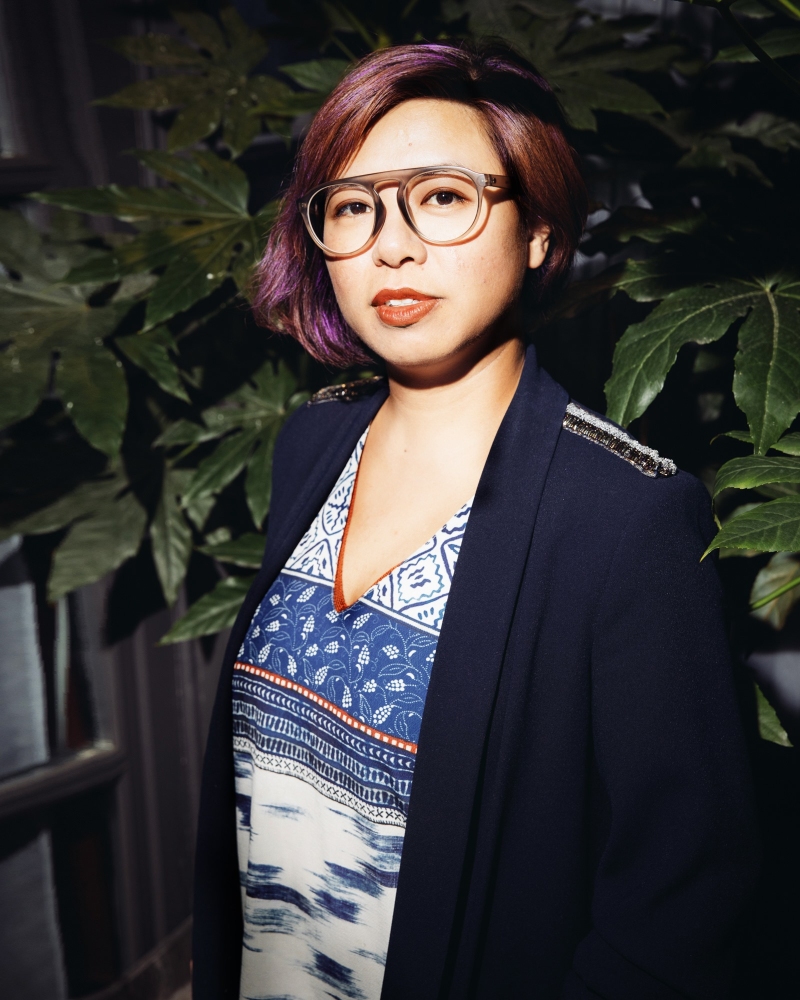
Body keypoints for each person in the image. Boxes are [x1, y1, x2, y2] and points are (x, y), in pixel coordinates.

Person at [192, 42, 758, 1000]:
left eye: (443, 196)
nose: (392, 245)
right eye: (353, 206)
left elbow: (680, 909)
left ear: (536, 230)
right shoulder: (312, 441)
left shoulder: (627, 517)